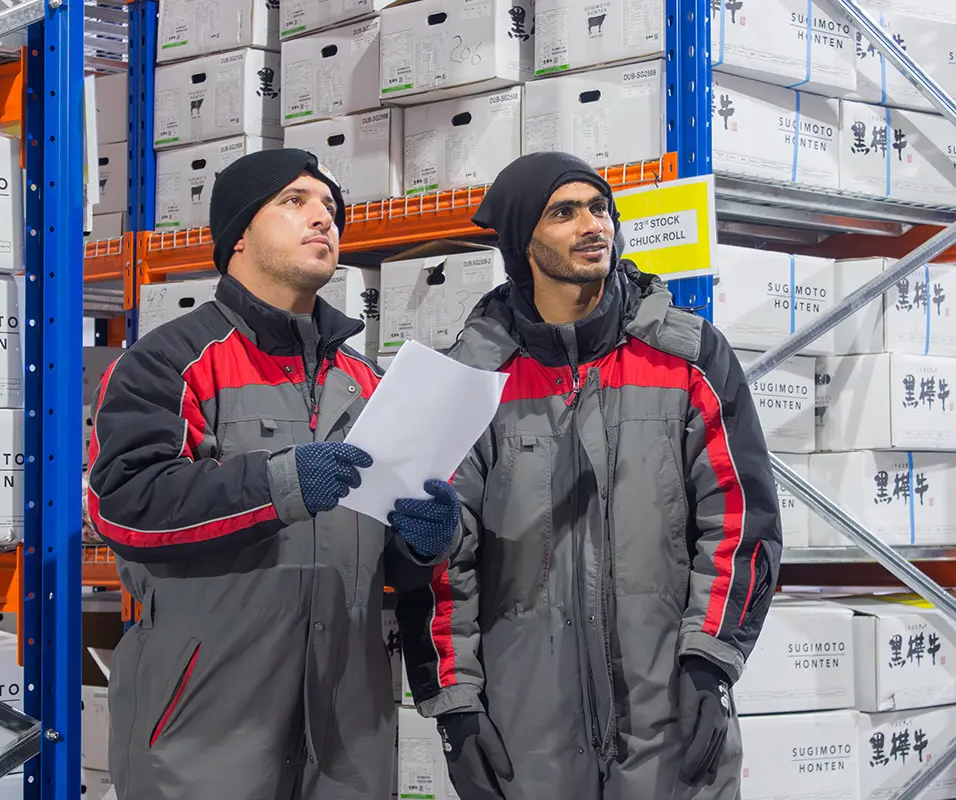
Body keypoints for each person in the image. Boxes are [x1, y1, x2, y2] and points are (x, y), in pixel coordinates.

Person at [396, 152, 783, 800]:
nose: (592, 224)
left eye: (599, 207)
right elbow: (440, 560)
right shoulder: (471, 381)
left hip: (668, 720)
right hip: (528, 735)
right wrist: (454, 707)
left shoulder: (685, 359)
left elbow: (740, 521)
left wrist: (710, 665)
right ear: (521, 242)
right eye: (564, 212)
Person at [86, 148, 462, 800]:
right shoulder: (171, 363)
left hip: (346, 733)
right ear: (237, 235)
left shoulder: (369, 384)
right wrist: (277, 484)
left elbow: (389, 562)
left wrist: (422, 542)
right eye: (295, 201)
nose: (323, 218)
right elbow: (123, 506)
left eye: (331, 209)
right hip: (203, 729)